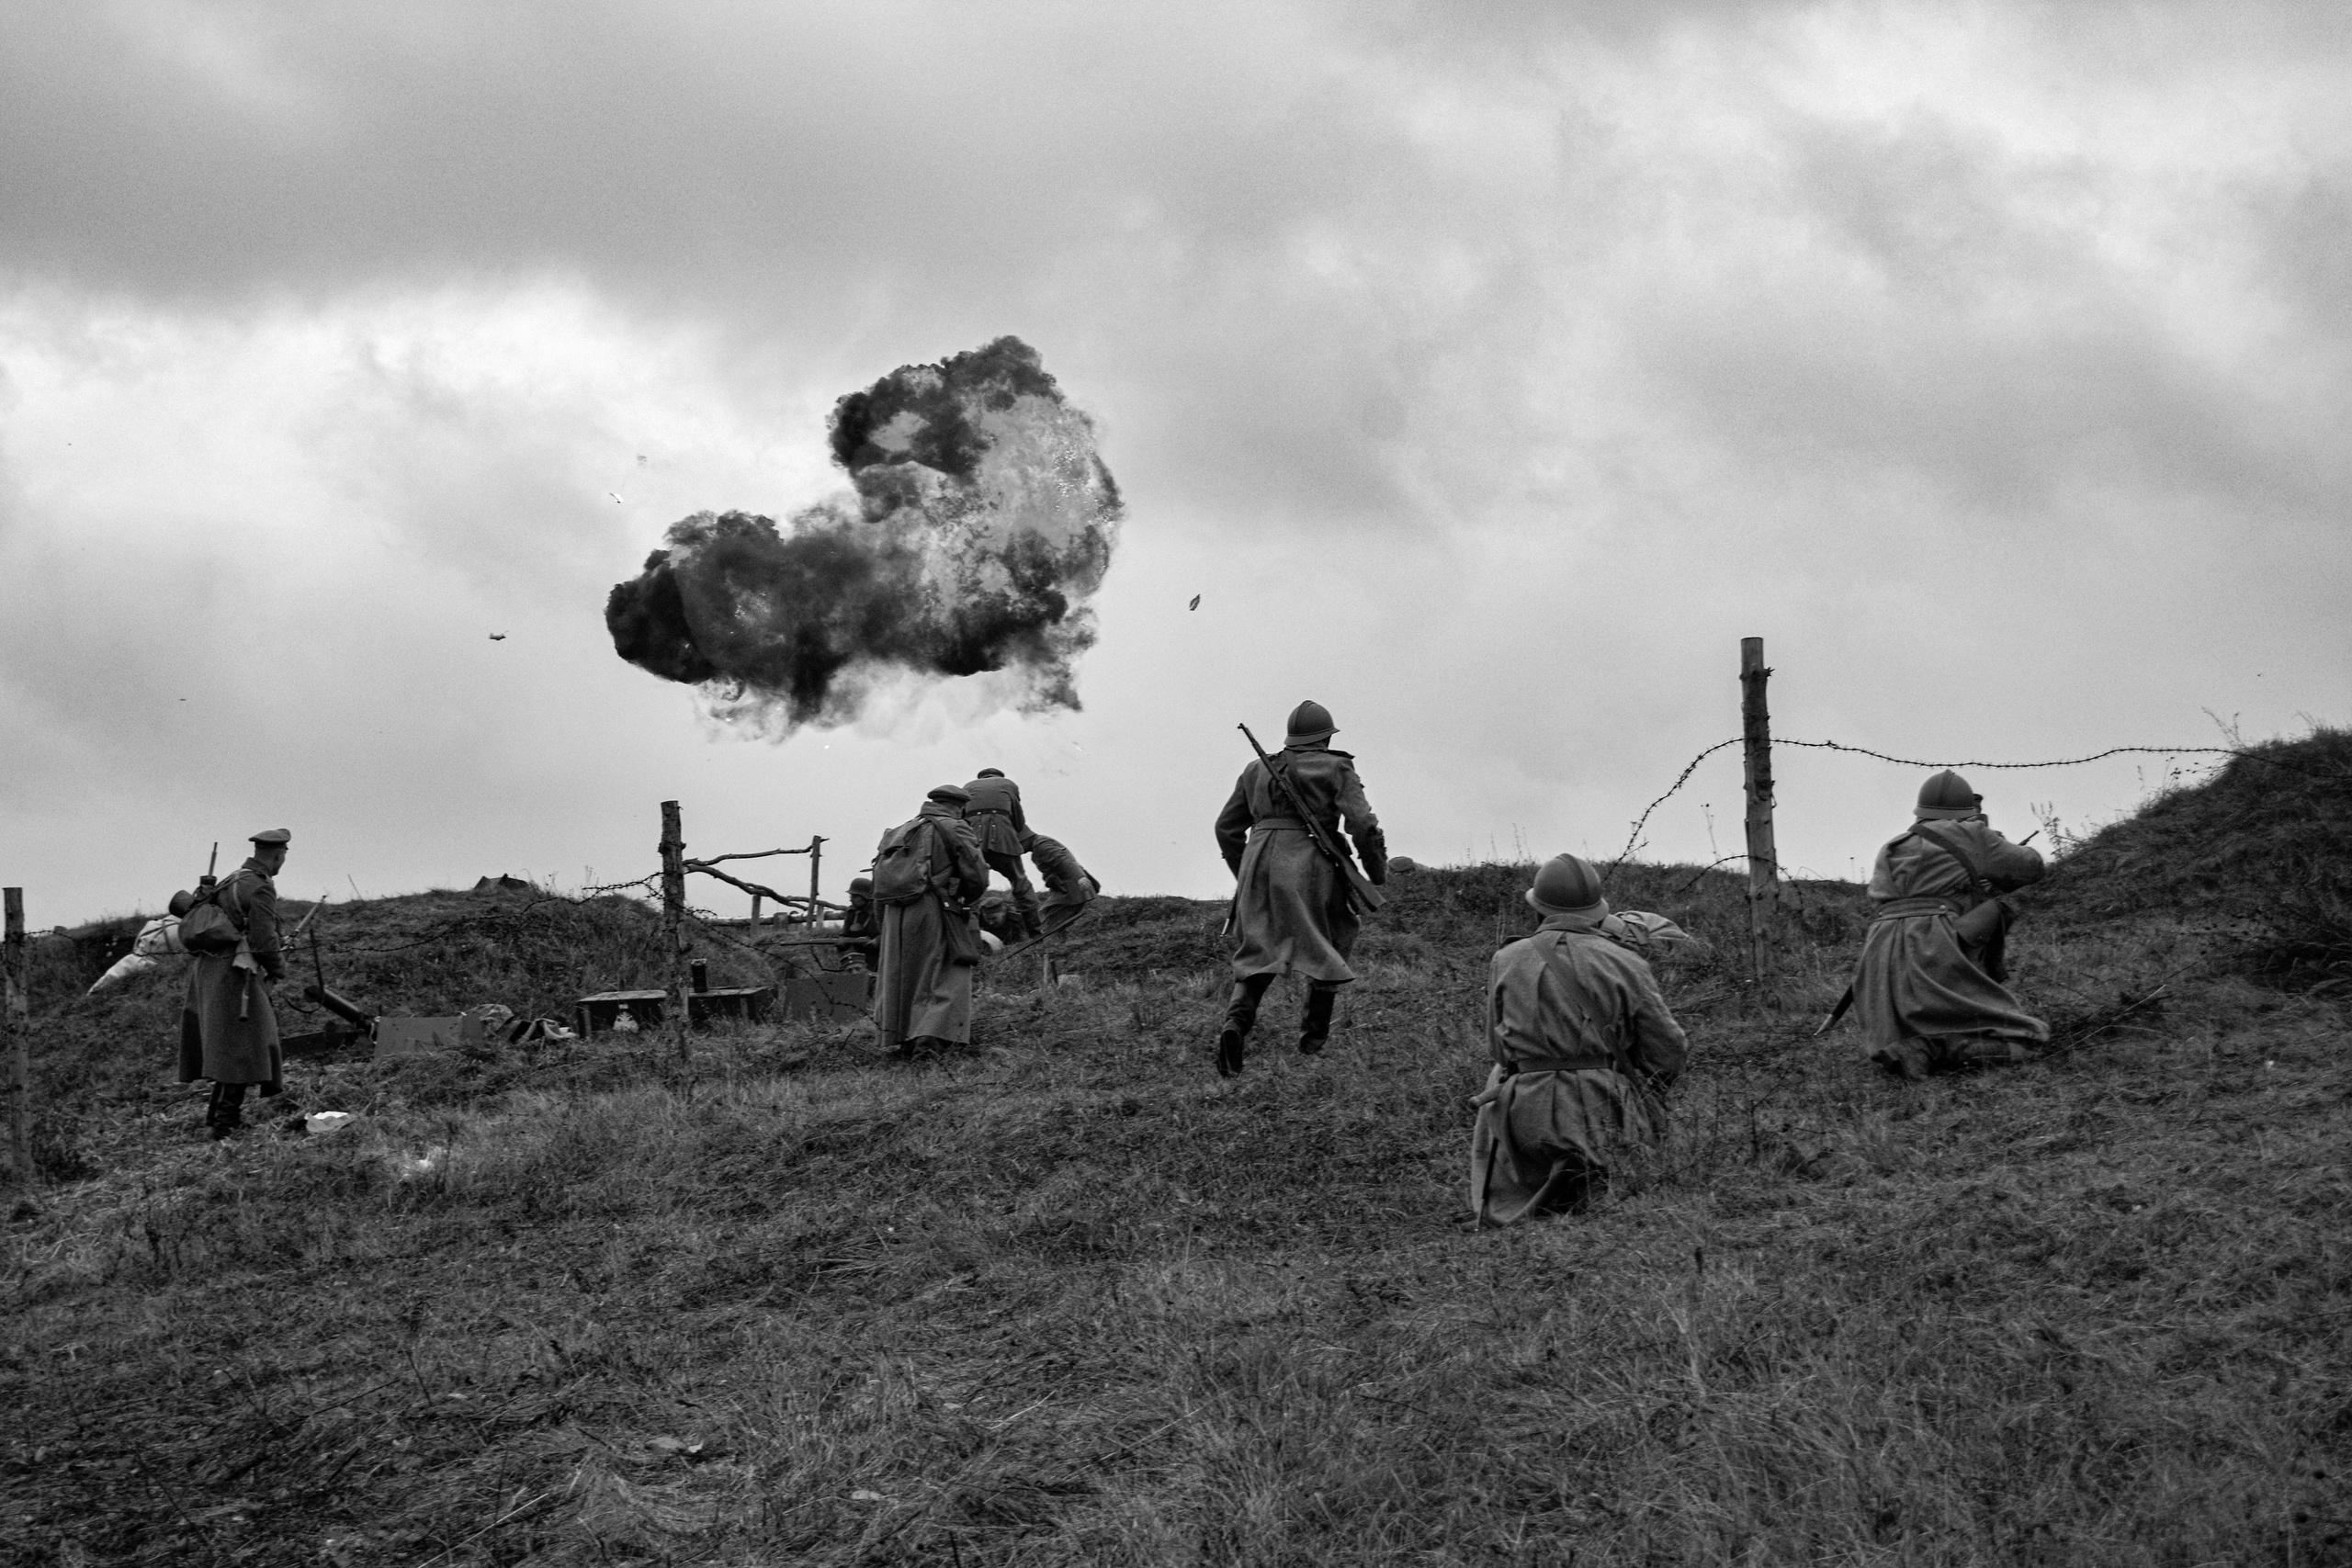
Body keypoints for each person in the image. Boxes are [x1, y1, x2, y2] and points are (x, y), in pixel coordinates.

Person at [1468, 853, 1687, 1224]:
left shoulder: (1505, 959)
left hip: (1524, 1115)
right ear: (1597, 912)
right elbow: (1669, 1049)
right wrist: (1642, 1092)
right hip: (1602, 1112)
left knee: (1498, 1076)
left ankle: (1509, 1199)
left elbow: (1496, 1047)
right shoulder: (1627, 961)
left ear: (1537, 907)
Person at [1211, 700, 1387, 1076]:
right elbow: (1363, 825)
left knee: (1258, 949)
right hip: (1310, 865)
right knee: (1334, 935)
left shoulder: (1256, 769)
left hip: (1257, 862)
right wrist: (1376, 871)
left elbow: (1225, 828)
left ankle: (1234, 1026)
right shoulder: (1337, 766)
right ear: (1325, 738)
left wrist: (1243, 870)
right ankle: (1312, 1042)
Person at [1852, 770, 2048, 1078]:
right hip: (1933, 947)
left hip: (1879, 960)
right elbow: (2031, 867)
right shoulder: (1972, 835)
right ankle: (1936, 1048)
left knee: (1914, 1027)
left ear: (1920, 811)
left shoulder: (1892, 846)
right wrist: (1992, 840)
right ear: (1968, 813)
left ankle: (1911, 1044)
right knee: (2027, 1040)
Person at [177, 829, 292, 1140]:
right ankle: (224, 1123)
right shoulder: (260, 888)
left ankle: (222, 1118)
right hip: (234, 973)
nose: (282, 862)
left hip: (212, 969)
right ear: (278, 855)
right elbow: (264, 940)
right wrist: (279, 968)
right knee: (242, 1045)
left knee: (233, 1045)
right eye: (282, 856)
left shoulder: (233, 878)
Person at [871, 784, 988, 1057]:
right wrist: (964, 898)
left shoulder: (901, 829)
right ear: (959, 807)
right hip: (934, 904)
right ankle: (930, 1041)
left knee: (902, 975)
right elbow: (977, 875)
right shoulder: (955, 827)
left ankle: (900, 1038)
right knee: (945, 970)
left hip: (894, 911)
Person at [962, 769, 1045, 940]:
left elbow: (961, 819)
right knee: (1019, 881)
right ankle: (1037, 934)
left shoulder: (968, 787)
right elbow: (1018, 820)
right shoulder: (1008, 784)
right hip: (1003, 841)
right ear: (999, 776)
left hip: (973, 843)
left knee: (965, 887)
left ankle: (961, 935)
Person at [1023, 831, 1098, 929]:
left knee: (1048, 916)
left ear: (1025, 839)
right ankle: (1055, 940)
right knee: (1049, 916)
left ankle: (1052, 941)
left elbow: (1064, 861)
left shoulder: (1041, 846)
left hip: (1073, 888)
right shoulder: (1039, 845)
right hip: (1065, 888)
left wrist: (1080, 878)